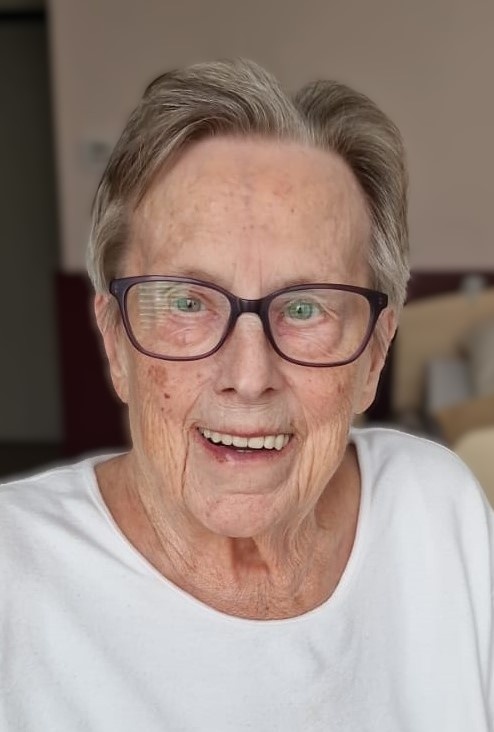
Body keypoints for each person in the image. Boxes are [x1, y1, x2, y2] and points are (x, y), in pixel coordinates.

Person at [1, 59, 492, 731]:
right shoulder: (14, 574)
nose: (250, 375)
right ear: (115, 341)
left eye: (305, 308)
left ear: (374, 355)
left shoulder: (437, 507)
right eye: (187, 301)